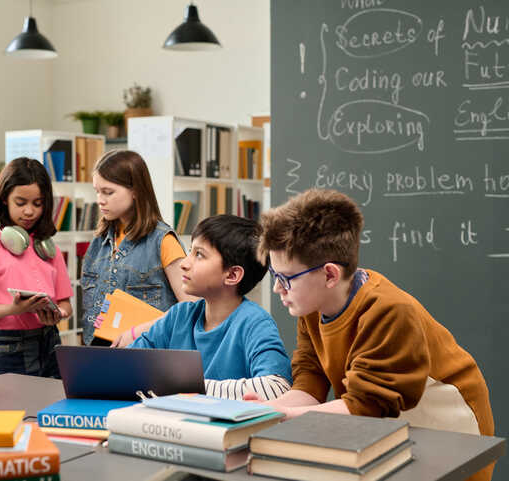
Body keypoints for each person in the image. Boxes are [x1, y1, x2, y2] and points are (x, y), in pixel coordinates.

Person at [250, 188, 494, 481]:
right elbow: (309, 385)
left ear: (329, 274)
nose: (278, 289)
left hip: (452, 428)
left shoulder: (389, 310)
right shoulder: (310, 309)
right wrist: (263, 411)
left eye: (286, 279)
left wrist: (283, 417)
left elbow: (365, 407)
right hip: (389, 425)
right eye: (275, 277)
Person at [128, 215, 292, 400]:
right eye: (190, 251)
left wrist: (187, 387)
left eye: (199, 254)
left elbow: (277, 387)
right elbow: (126, 367)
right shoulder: (179, 316)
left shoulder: (255, 322)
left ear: (232, 275)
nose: (184, 263)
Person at [0, 157, 73, 378]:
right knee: (20, 410)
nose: (29, 212)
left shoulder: (46, 245)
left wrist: (58, 314)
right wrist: (14, 309)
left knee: (54, 404)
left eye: (38, 203)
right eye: (21, 202)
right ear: (5, 198)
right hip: (9, 346)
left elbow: (66, 304)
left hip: (50, 339)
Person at [81, 150, 195, 346]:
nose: (100, 200)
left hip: (148, 354)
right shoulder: (98, 243)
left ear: (135, 191)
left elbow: (191, 307)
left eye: (108, 192)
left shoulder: (163, 241)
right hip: (101, 354)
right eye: (97, 191)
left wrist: (137, 332)